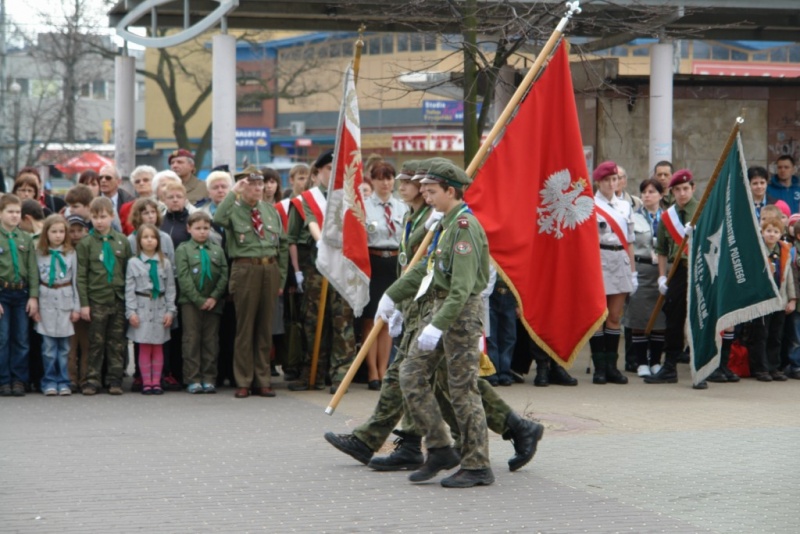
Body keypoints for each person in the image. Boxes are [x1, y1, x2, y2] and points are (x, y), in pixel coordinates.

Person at [377, 160, 494, 488]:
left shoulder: (464, 227)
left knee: (462, 390)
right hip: (441, 310)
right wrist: (391, 295)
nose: (426, 197)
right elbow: (424, 270)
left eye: (431, 191)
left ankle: (477, 464)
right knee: (410, 374)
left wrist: (436, 326)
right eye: (424, 191)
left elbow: (461, 287)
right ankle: (440, 447)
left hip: (460, 315)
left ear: (450, 191)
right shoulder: (445, 224)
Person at [213, 166, 287, 398]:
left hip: (269, 268)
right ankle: (243, 380)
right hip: (245, 269)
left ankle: (262, 379)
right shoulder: (234, 209)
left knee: (265, 328)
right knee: (245, 328)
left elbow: (282, 245)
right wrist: (232, 193)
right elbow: (217, 218)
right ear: (241, 186)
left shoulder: (270, 210)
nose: (257, 188)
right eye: (250, 184)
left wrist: (281, 278)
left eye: (260, 184)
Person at [287, 151, 357, 394]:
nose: (333, 173)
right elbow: (311, 224)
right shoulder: (309, 198)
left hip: (344, 266)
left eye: (337, 169)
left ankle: (341, 376)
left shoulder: (350, 197)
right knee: (313, 321)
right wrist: (322, 242)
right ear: (317, 173)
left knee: (342, 321)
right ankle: (313, 373)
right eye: (329, 168)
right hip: (317, 266)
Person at [646, 169, 705, 388]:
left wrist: (698, 233)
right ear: (672, 191)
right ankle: (669, 366)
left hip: (699, 269)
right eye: (677, 189)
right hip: (677, 270)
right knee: (673, 317)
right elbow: (661, 249)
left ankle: (701, 369)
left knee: (699, 318)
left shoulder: (703, 211)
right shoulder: (667, 216)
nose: (682, 193)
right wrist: (662, 278)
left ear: (693, 188)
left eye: (685, 188)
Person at [76, 196, 132, 395]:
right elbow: (81, 276)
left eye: (103, 216)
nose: (99, 221)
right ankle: (92, 380)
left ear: (112, 216)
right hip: (96, 299)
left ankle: (114, 380)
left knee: (116, 342)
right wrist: (84, 304)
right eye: (95, 217)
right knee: (96, 342)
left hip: (117, 298)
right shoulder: (86, 243)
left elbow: (128, 272)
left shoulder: (122, 241)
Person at [362, 162, 407, 390]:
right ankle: (372, 372)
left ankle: (385, 369)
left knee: (388, 319)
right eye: (380, 178)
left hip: (394, 264)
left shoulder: (401, 207)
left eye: (389, 178)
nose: (386, 183)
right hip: (373, 263)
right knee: (371, 319)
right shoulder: (364, 207)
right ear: (372, 180)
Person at [589, 161, 634, 385]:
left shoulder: (625, 206)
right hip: (599, 260)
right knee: (599, 317)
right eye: (606, 180)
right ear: (598, 182)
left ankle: (612, 367)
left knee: (615, 317)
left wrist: (633, 271)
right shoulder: (590, 205)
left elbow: (631, 241)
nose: (610, 183)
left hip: (620, 260)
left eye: (614, 179)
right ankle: (599, 368)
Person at [176, 211, 228, 394]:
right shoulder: (183, 249)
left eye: (206, 228)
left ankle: (209, 377)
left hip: (213, 302)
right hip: (191, 303)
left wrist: (214, 296)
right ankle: (193, 378)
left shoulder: (217, 250)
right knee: (191, 340)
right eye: (198, 228)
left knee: (210, 341)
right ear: (189, 229)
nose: (202, 232)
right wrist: (198, 300)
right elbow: (183, 277)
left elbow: (223, 274)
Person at [125, 224, 177, 395]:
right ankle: (147, 382)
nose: (149, 240)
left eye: (153, 237)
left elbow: (170, 288)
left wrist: (170, 311)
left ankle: (157, 382)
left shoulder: (165, 262)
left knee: (158, 346)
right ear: (139, 241)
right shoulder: (133, 263)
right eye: (145, 237)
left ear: (158, 241)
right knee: (145, 346)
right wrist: (131, 312)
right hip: (142, 307)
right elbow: (129, 289)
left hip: (160, 308)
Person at [622, 178, 666, 377]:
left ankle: (656, 361)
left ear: (661, 195)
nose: (647, 195)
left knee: (660, 318)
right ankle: (641, 363)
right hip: (642, 268)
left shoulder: (668, 217)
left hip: (662, 271)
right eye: (644, 192)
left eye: (651, 192)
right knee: (639, 317)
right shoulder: (634, 217)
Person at [34, 214, 80, 396]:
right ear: (46, 233)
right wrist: (35, 305)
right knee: (48, 348)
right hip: (46, 299)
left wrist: (76, 307)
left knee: (64, 348)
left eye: (61, 231)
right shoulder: (39, 253)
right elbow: (35, 279)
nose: (58, 235)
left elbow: (75, 280)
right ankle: (49, 380)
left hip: (65, 300)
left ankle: (64, 380)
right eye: (54, 231)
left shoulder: (70, 253)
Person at [0, 194, 40, 397]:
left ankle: (19, 380)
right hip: (2, 293)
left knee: (22, 339)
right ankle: (3, 380)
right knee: (3, 338)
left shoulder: (24, 238)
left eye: (18, 212)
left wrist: (33, 296)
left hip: (21, 292)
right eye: (10, 212)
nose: (15, 216)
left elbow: (32, 269)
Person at [747, 216, 795, 382]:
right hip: (762, 301)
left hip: (780, 301)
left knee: (776, 335)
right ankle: (760, 368)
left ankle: (773, 366)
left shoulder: (784, 251)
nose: (772, 235)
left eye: (775, 232)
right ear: (762, 232)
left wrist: (792, 299)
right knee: (761, 335)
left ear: (781, 233)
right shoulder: (757, 250)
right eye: (768, 231)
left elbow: (789, 277)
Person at [66, 214, 90, 391]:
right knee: (71, 346)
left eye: (79, 231)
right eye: (71, 231)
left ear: (85, 231)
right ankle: (71, 378)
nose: (75, 234)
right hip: (68, 304)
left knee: (87, 344)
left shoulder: (88, 248)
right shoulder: (65, 251)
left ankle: (85, 378)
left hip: (87, 302)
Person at [120, 165, 157, 235]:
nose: (141, 183)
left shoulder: (162, 204)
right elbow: (124, 234)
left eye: (146, 180)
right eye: (137, 181)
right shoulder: (126, 208)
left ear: (154, 182)